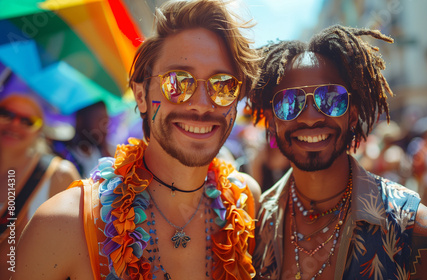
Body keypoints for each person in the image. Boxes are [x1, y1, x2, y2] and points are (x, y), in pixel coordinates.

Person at [13, 1, 260, 279]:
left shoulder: (246, 203)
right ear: (142, 96)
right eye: (177, 82)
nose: (202, 105)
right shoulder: (63, 225)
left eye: (223, 84)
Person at [250, 25, 427, 279]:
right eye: (290, 103)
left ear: (353, 115)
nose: (311, 118)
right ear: (271, 122)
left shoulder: (414, 229)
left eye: (330, 98)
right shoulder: (252, 225)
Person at [0, 94, 80, 277]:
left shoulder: (59, 174)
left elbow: (75, 250)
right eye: (6, 114)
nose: (15, 124)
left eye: (28, 121)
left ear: (40, 129)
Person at [52, 101, 113, 177]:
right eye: (99, 120)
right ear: (80, 120)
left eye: (106, 122)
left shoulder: (102, 156)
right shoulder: (60, 153)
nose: (105, 129)